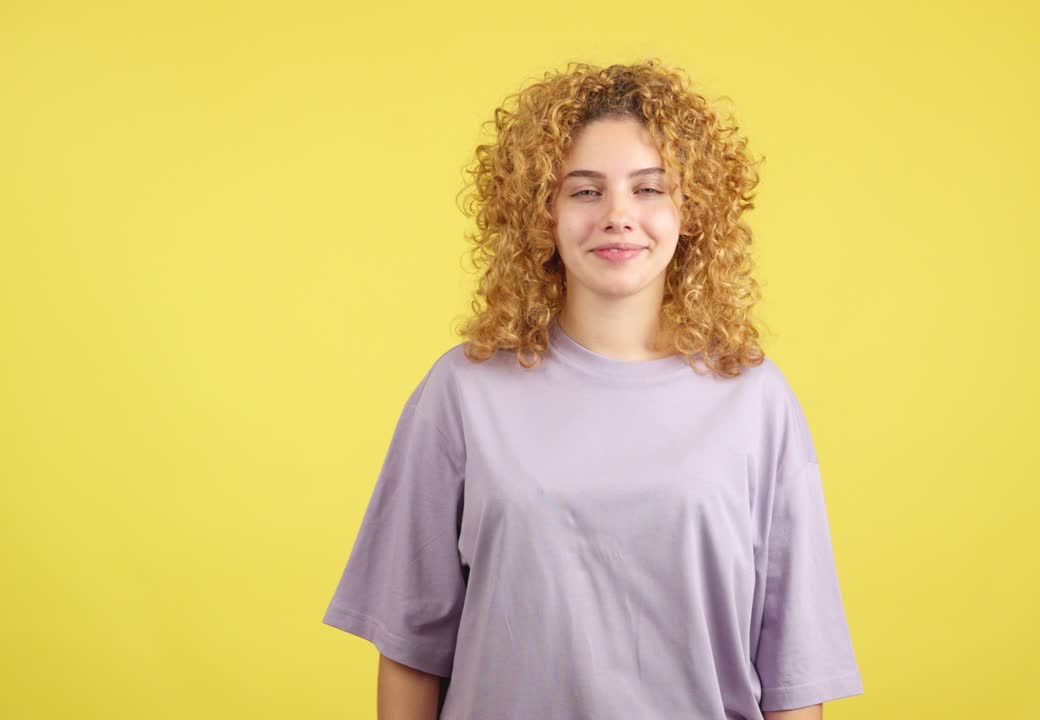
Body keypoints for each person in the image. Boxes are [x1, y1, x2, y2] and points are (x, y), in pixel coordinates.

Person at [322, 58, 863, 720]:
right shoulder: (462, 392)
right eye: (584, 191)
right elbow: (411, 646)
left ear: (690, 210)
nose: (617, 216)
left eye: (649, 188)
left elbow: (794, 671)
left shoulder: (755, 399)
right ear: (542, 214)